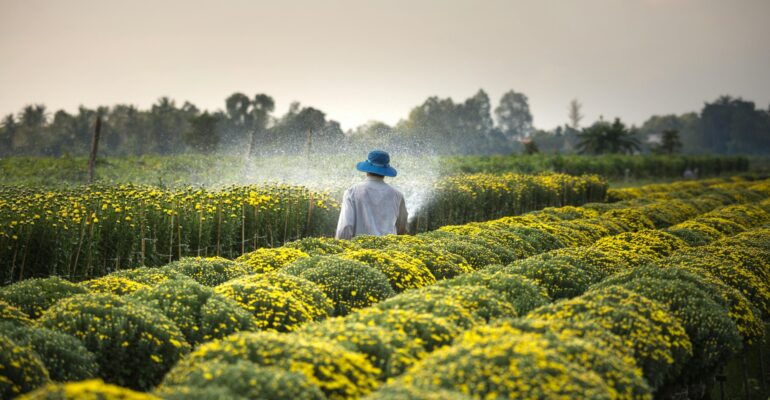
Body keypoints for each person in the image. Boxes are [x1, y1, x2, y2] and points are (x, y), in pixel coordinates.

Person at [335, 150, 408, 240]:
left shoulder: (352, 192)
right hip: (388, 250)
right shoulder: (397, 195)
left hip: (358, 250)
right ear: (385, 171)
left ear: (367, 169)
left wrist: (341, 248)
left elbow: (345, 227)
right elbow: (402, 226)